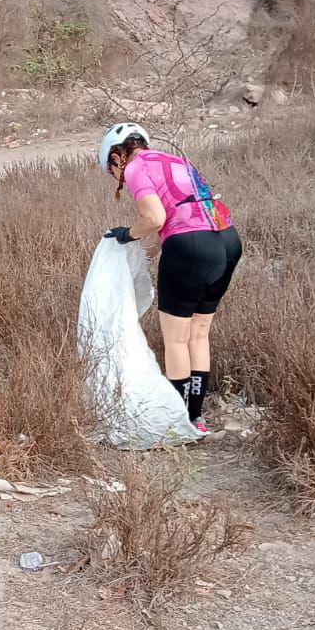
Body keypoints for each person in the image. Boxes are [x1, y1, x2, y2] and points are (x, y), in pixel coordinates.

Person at [99, 122, 242, 434]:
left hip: (191, 246)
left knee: (176, 339)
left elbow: (155, 218)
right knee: (199, 333)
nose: (117, 177)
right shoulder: (174, 160)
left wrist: (126, 235)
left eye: (111, 170)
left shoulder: (136, 168)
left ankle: (178, 422)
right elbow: (183, 209)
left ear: (116, 156)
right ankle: (196, 417)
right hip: (226, 241)